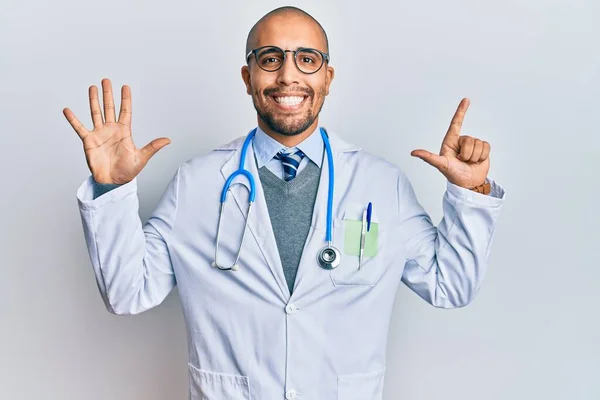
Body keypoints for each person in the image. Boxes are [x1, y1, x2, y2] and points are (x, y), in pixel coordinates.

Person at [64, 6, 505, 400]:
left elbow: (452, 285)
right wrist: (112, 190)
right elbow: (126, 293)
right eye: (270, 59)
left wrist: (470, 195)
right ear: (248, 77)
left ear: (327, 79)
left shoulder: (380, 184)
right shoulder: (195, 184)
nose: (288, 76)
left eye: (307, 60)